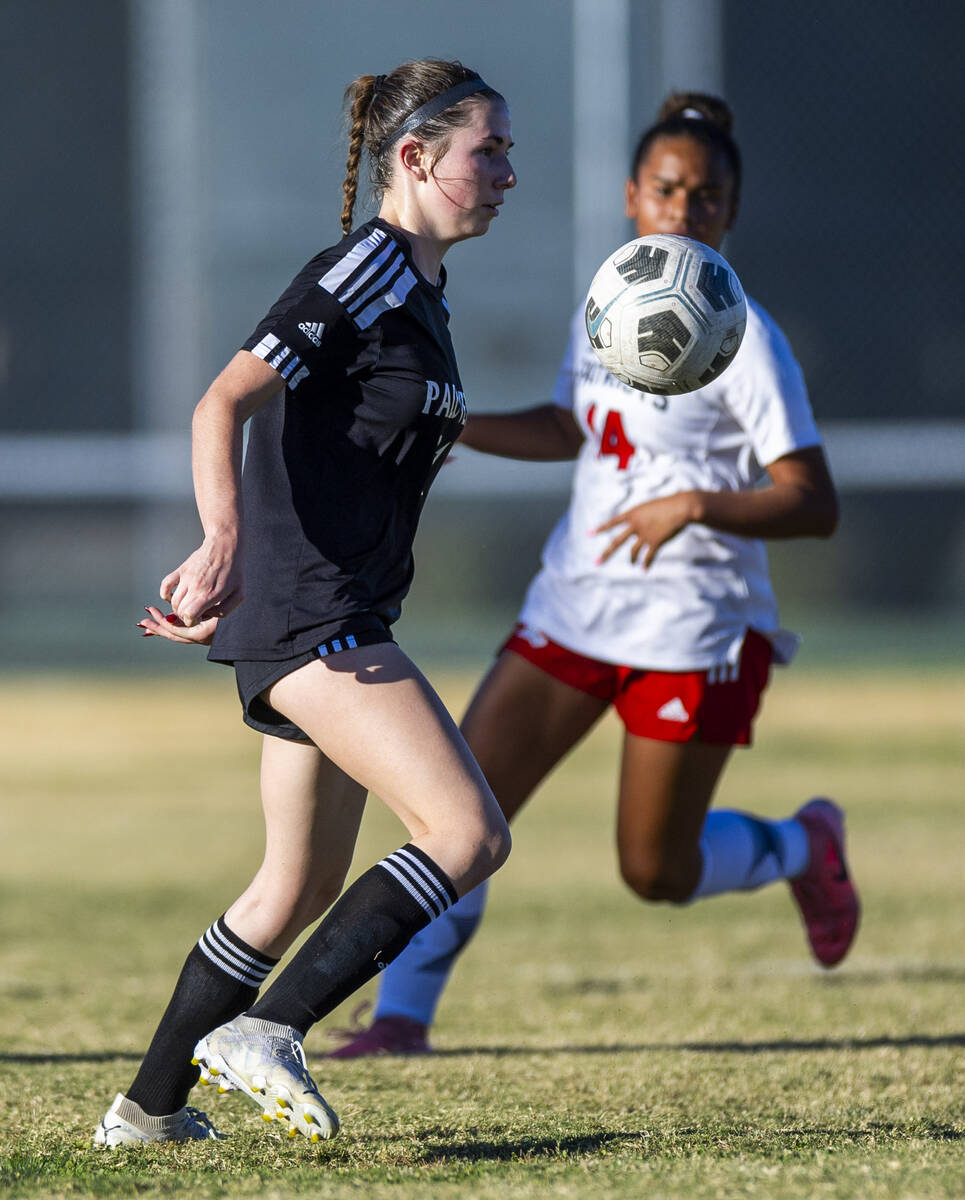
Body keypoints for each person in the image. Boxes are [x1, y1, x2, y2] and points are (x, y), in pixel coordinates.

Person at [330, 92, 860, 1060]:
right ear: (631, 197)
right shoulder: (616, 296)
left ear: (728, 212)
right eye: (665, 190)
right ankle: (400, 1020)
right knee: (459, 806)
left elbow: (810, 502)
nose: (683, 212)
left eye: (706, 198)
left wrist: (693, 502)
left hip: (692, 629)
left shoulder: (746, 338)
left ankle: (801, 846)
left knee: (653, 870)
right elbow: (574, 427)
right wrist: (454, 425)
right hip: (572, 607)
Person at [94, 58, 516, 1147]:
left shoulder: (418, 292)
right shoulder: (365, 267)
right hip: (310, 609)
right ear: (415, 158)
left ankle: (146, 1110)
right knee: (465, 833)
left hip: (326, 606)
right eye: (489, 150)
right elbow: (221, 401)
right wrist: (223, 543)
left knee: (296, 881)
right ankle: (267, 1030)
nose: (505, 171)